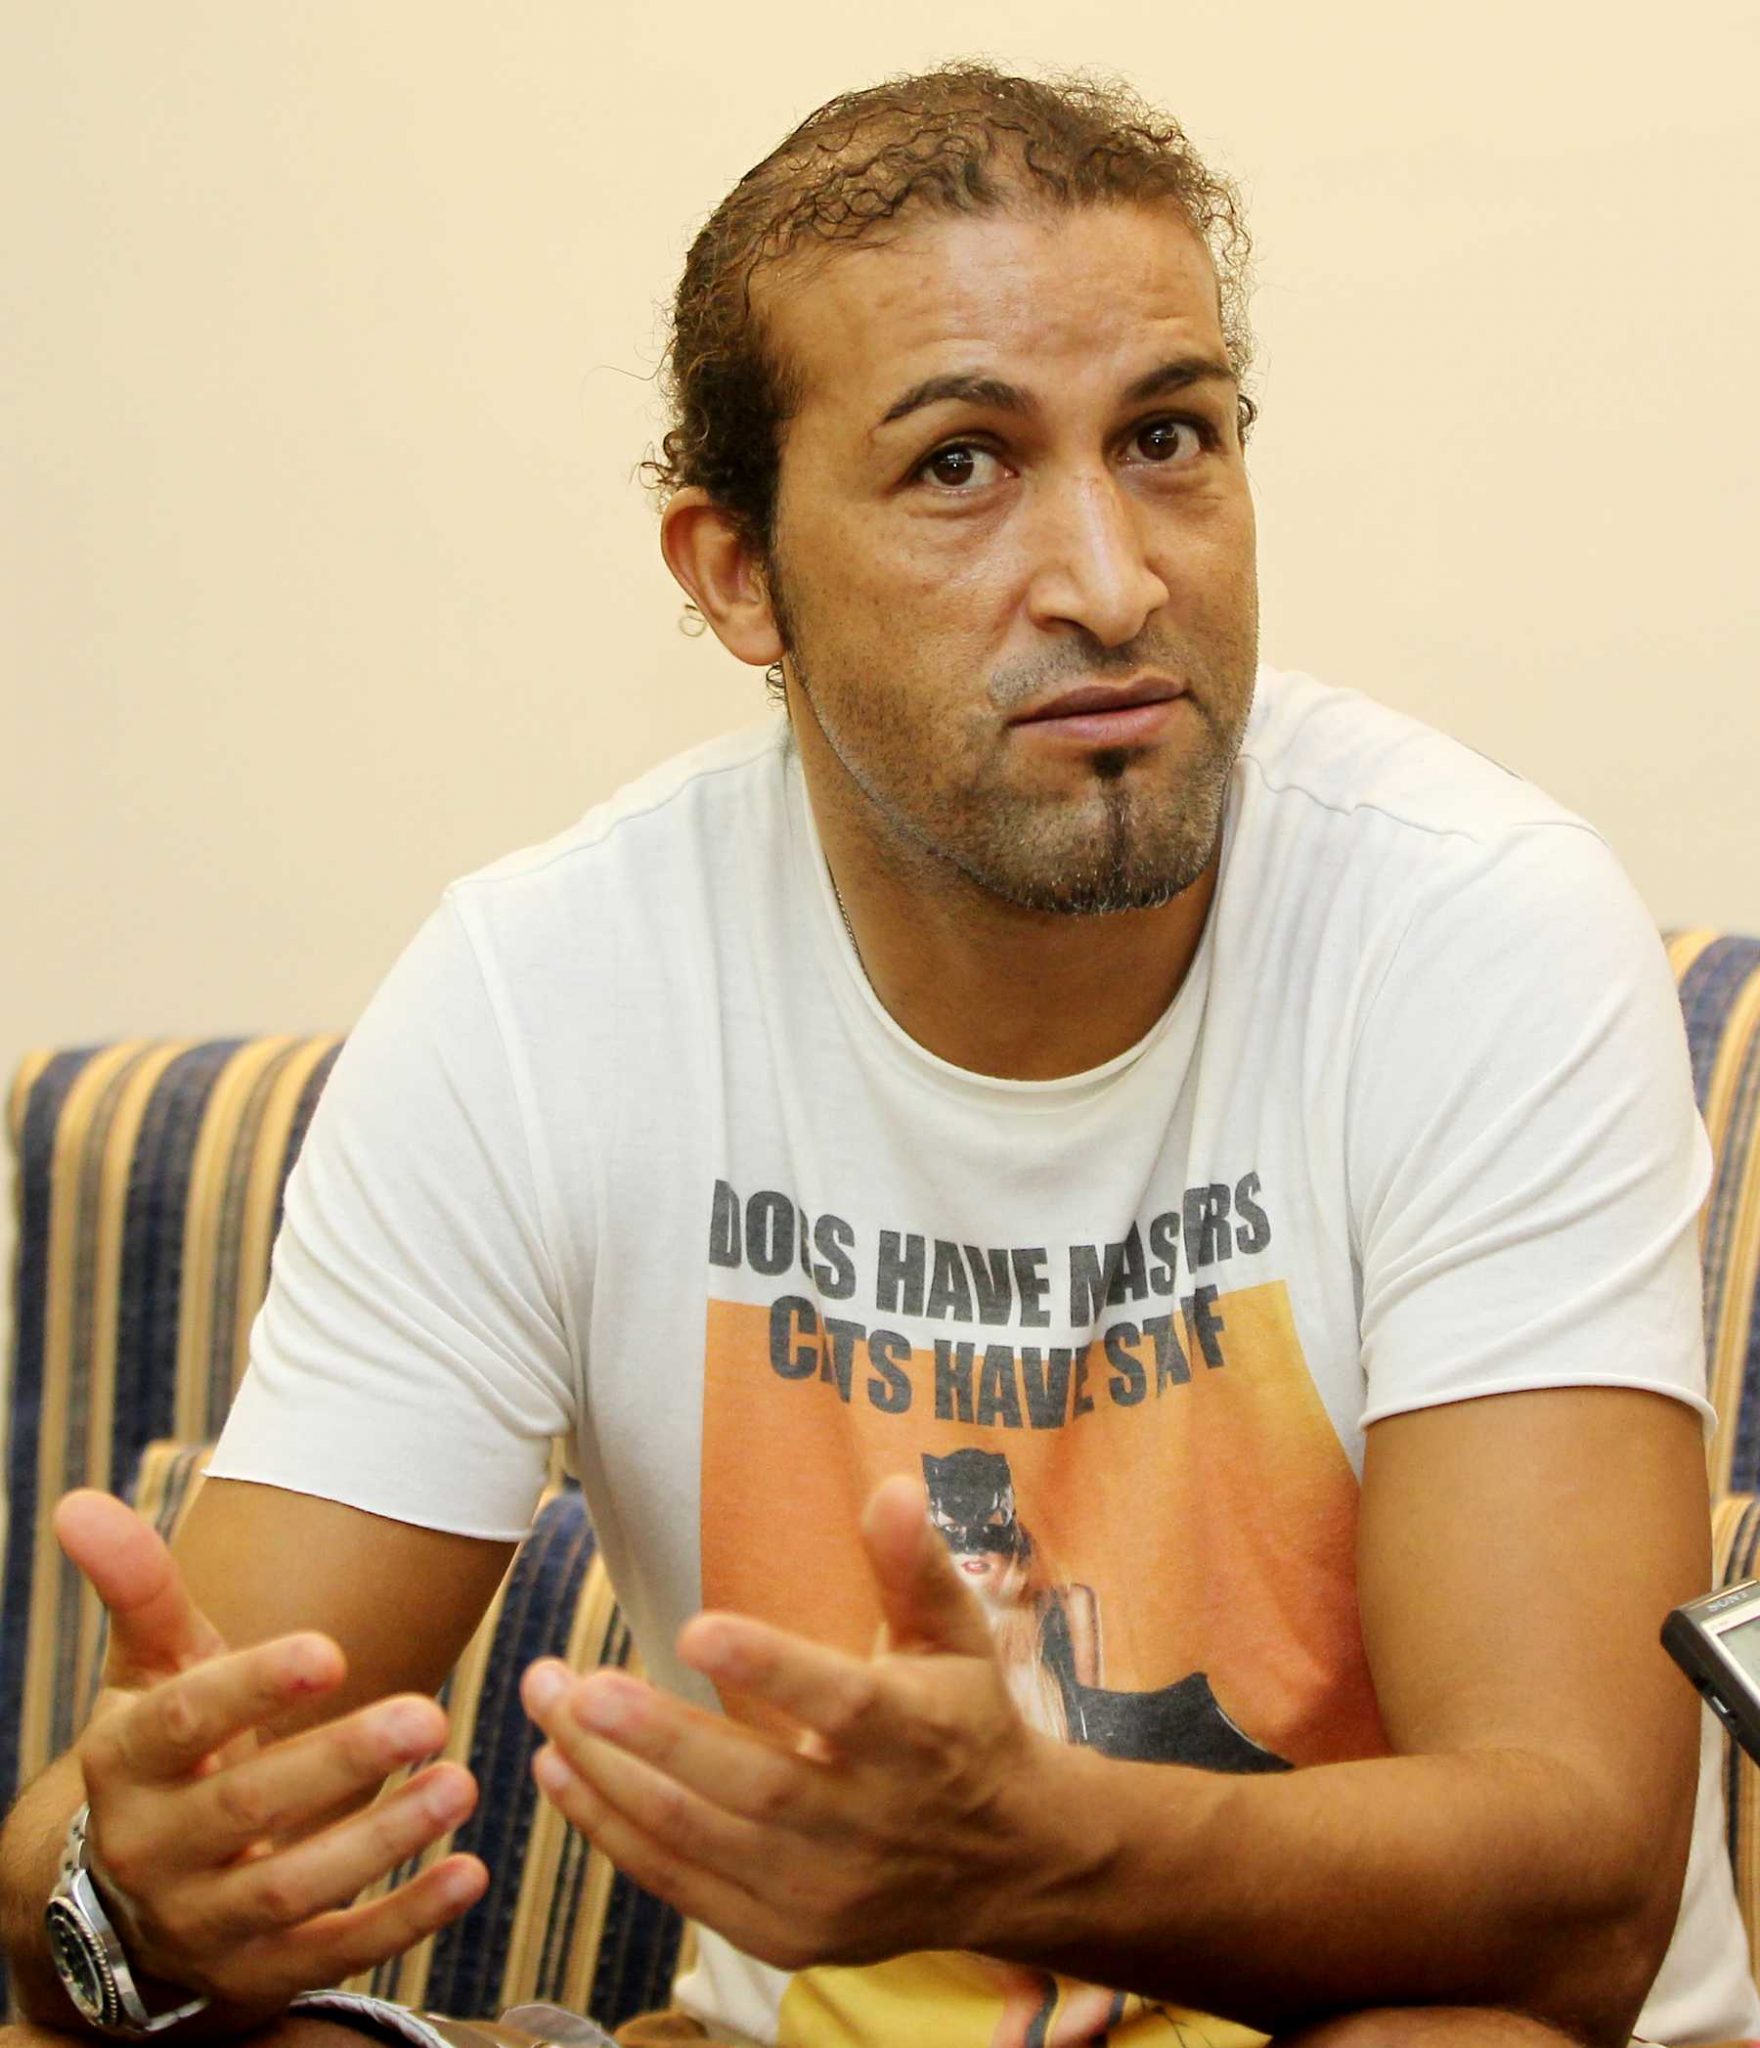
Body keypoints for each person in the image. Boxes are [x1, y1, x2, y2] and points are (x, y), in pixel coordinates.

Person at [2, 56, 1756, 2048]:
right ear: (735, 574)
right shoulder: (543, 992)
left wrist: (1033, 1851)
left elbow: (1576, 1894)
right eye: (961, 466)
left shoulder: (1468, 927)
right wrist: (121, 1897)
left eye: (1167, 438)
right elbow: (119, 1848)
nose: (1113, 581)